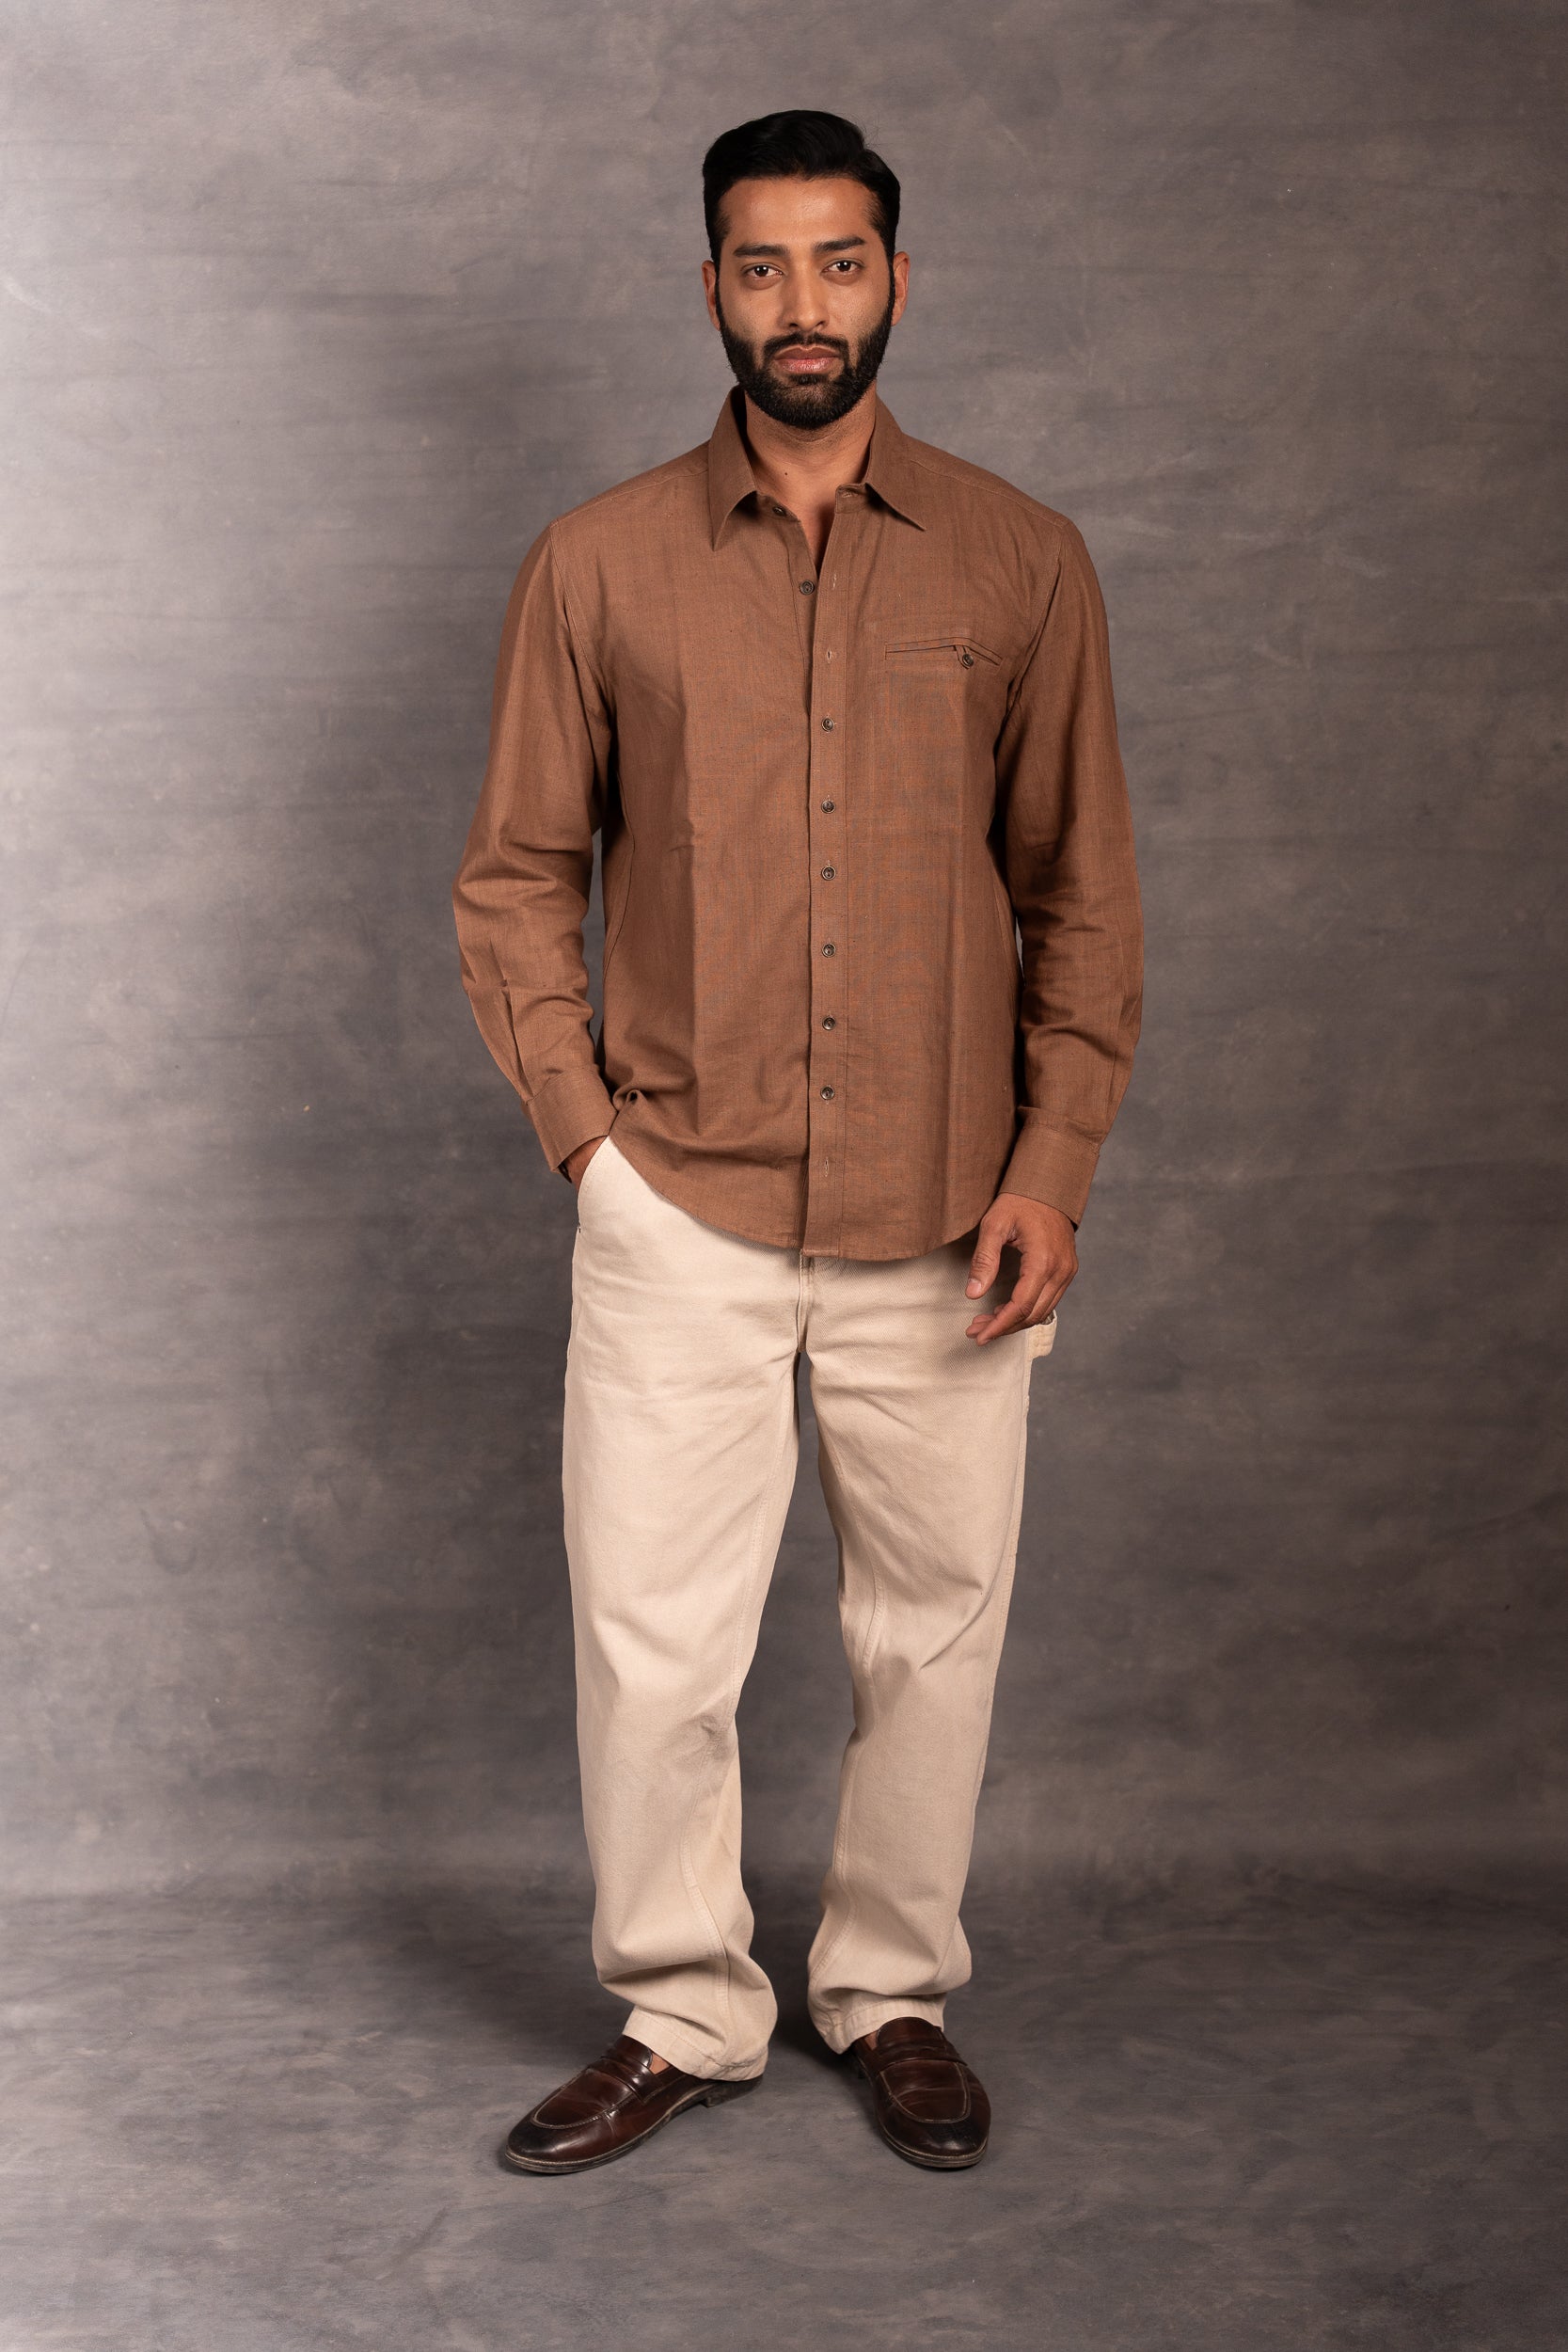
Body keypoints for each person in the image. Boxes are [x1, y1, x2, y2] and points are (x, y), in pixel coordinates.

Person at [451, 107, 1144, 2174]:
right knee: (654, 1644)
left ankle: (890, 1988)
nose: (803, 305)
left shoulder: (1021, 560)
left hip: (951, 1212)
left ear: (897, 281)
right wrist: (590, 1150)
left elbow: (1083, 892)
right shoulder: (597, 563)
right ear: (712, 292)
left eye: (841, 263)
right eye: (762, 267)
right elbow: (517, 879)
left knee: (933, 1632)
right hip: (680, 1197)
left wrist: (1053, 1163)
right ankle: (683, 2005)